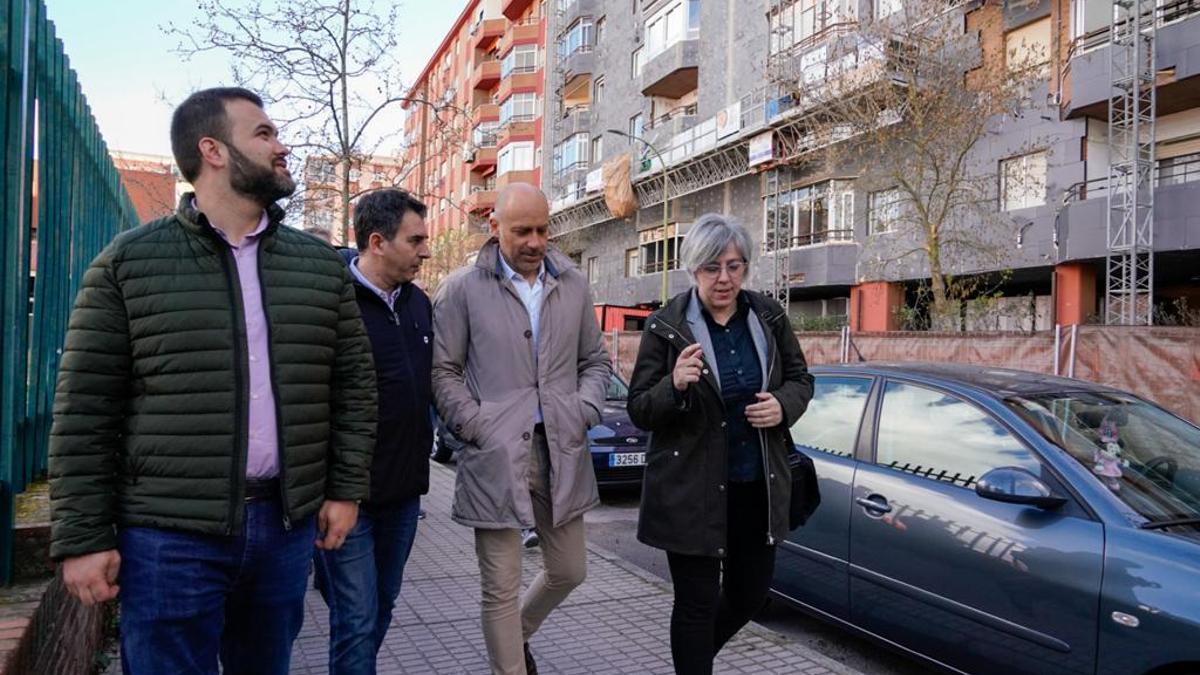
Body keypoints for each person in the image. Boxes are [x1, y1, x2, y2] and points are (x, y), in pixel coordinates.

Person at [48, 87, 377, 675]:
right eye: (264, 134)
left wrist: (344, 489)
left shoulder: (319, 266)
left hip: (284, 527)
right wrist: (83, 537)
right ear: (213, 150)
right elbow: (85, 411)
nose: (283, 147)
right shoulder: (128, 264)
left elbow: (353, 388)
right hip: (168, 538)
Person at [432, 183, 611, 675]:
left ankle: (518, 635)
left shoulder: (572, 282)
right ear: (495, 228)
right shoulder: (462, 287)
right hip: (494, 453)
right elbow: (442, 371)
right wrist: (475, 424)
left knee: (570, 569)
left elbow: (595, 360)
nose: (535, 241)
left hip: (561, 446)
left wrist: (585, 409)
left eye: (542, 229)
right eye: (521, 231)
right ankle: (507, 666)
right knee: (500, 586)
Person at [627, 214, 814, 675]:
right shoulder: (665, 326)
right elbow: (639, 408)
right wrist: (674, 385)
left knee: (751, 593)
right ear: (693, 268)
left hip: (757, 485)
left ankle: (693, 662)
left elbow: (801, 379)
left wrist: (784, 406)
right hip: (691, 492)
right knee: (695, 603)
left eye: (735, 265)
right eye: (713, 267)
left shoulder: (768, 316)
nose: (725, 278)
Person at [315, 188, 433, 674]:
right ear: (378, 242)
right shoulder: (331, 303)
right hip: (347, 498)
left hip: (404, 495)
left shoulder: (420, 303)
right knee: (356, 617)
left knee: (381, 607)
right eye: (417, 240)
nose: (426, 251)